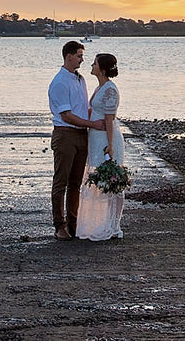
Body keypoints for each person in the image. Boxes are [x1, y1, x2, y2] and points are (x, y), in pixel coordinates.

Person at [47, 40, 100, 240]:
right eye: (79, 56)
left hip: (81, 134)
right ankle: (59, 225)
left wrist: (99, 116)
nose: (82, 60)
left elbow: (81, 108)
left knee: (76, 182)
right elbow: (67, 115)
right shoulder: (59, 82)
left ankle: (74, 222)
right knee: (61, 181)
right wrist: (92, 125)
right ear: (68, 56)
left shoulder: (80, 79)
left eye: (82, 56)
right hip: (65, 133)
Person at [74, 52, 125, 241]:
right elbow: (95, 110)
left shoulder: (110, 89)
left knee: (112, 181)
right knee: (98, 178)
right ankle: (102, 222)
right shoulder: (100, 87)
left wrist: (110, 146)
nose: (91, 66)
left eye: (94, 63)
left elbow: (109, 120)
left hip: (106, 138)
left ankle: (114, 225)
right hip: (95, 137)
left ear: (102, 69)